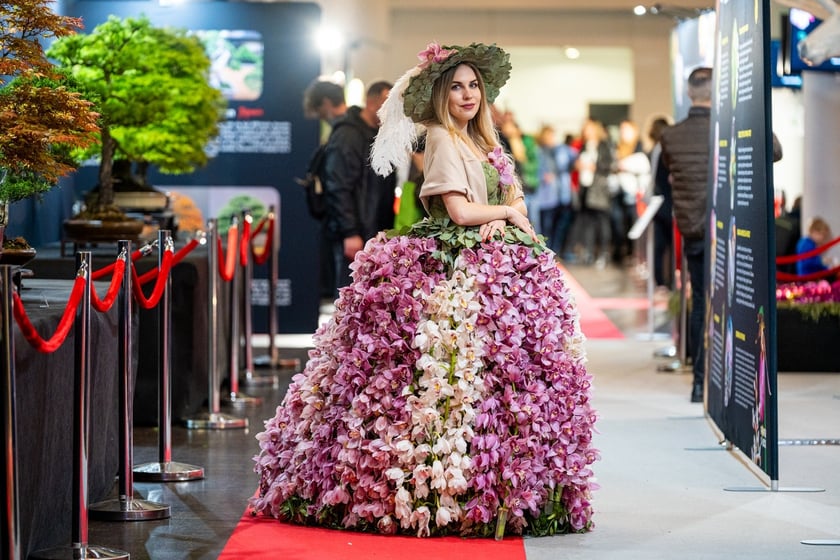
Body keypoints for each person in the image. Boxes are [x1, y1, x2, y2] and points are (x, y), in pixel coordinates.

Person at [251, 41, 598, 539]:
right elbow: (458, 212)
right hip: (451, 269)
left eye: (473, 85)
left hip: (500, 268)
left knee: (508, 383)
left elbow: (514, 190)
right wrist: (504, 214)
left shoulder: (486, 140)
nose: (467, 94)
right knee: (439, 384)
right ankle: (432, 492)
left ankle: (502, 487)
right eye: (456, 86)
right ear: (439, 95)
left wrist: (508, 208)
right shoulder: (440, 138)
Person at [659, 66, 712, 404]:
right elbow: (775, 151)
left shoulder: (671, 136)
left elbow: (668, 173)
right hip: (731, 236)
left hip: (692, 231)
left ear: (690, 93)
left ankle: (699, 382)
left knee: (699, 306)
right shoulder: (727, 130)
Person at [322, 80, 397, 296]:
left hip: (375, 231)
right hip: (355, 233)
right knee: (350, 297)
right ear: (371, 102)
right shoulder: (348, 134)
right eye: (387, 103)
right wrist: (350, 231)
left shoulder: (380, 135)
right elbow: (338, 185)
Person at [301, 79, 349, 301]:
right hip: (345, 225)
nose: (319, 115)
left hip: (344, 227)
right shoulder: (346, 130)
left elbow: (340, 183)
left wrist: (350, 230)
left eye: (318, 109)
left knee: (345, 287)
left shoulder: (343, 133)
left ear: (327, 103)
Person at [575, 118, 614, 267]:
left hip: (599, 190)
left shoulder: (604, 145)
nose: (586, 131)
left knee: (602, 222)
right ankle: (588, 252)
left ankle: (604, 253)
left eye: (589, 128)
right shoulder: (584, 146)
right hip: (585, 188)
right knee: (588, 223)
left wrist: (594, 167)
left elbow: (609, 165)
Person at [612, 119, 650, 265]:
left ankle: (633, 253)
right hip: (619, 191)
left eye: (626, 129)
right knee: (617, 222)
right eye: (621, 130)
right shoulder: (617, 147)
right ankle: (621, 251)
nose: (623, 133)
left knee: (633, 222)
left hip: (634, 193)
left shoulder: (639, 147)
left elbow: (642, 166)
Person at [535, 124, 578, 256]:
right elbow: (534, 170)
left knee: (559, 225)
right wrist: (543, 176)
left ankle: (556, 250)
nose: (551, 138)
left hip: (562, 194)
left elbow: (574, 157)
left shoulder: (562, 150)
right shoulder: (539, 151)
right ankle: (545, 251)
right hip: (546, 195)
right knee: (546, 225)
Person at [647, 116, 673, 291]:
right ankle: (667, 281)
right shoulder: (667, 150)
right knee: (669, 245)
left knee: (659, 245)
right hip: (668, 202)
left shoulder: (654, 150)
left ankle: (660, 280)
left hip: (657, 201)